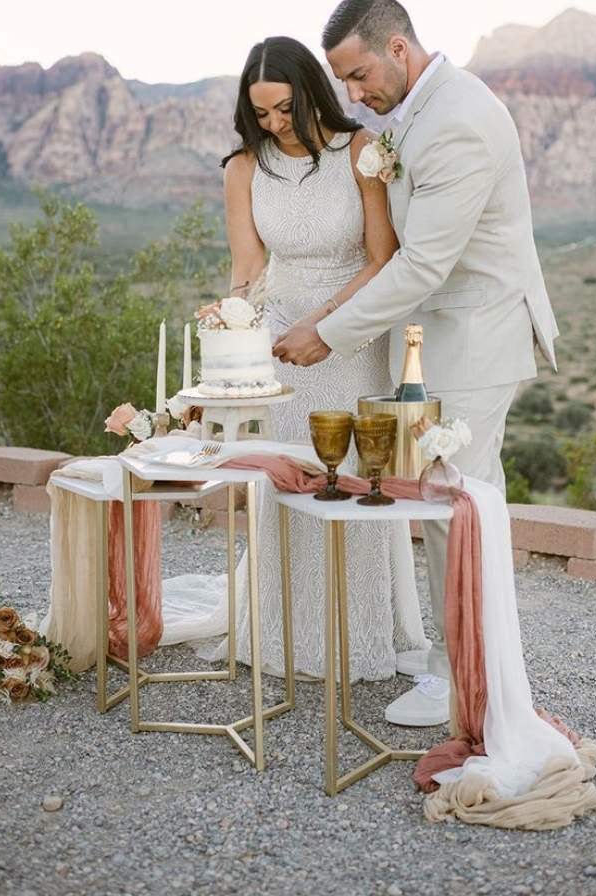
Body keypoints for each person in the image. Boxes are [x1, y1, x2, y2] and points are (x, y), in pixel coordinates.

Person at [274, 0, 558, 727]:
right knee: (445, 505)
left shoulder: (458, 121)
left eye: (359, 74)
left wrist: (329, 332)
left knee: (457, 508)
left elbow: (425, 264)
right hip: (438, 338)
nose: (353, 94)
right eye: (342, 82)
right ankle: (460, 666)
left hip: (475, 335)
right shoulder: (412, 115)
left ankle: (468, 683)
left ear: (398, 48)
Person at [163, 35, 430, 682]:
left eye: (285, 108)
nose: (275, 124)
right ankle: (282, 631)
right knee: (289, 483)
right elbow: (247, 270)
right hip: (281, 344)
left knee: (352, 487)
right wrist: (232, 324)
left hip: (351, 339)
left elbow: (381, 259)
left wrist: (324, 324)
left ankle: (358, 635)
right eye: (262, 115)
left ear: (311, 91)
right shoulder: (244, 168)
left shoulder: (364, 152)